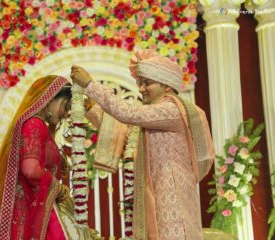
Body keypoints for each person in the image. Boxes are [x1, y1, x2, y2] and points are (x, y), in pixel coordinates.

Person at [71, 50, 215, 240]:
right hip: (157, 191)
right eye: (141, 83)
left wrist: (90, 85)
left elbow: (129, 114)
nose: (141, 89)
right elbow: (125, 131)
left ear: (166, 85)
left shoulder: (172, 109)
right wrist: (92, 109)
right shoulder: (155, 116)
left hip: (173, 194)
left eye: (147, 83)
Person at [0, 75, 99, 240]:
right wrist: (59, 188)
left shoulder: (38, 126)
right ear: (49, 100)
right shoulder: (34, 124)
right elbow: (30, 169)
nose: (66, 115)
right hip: (34, 214)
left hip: (40, 210)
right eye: (65, 106)